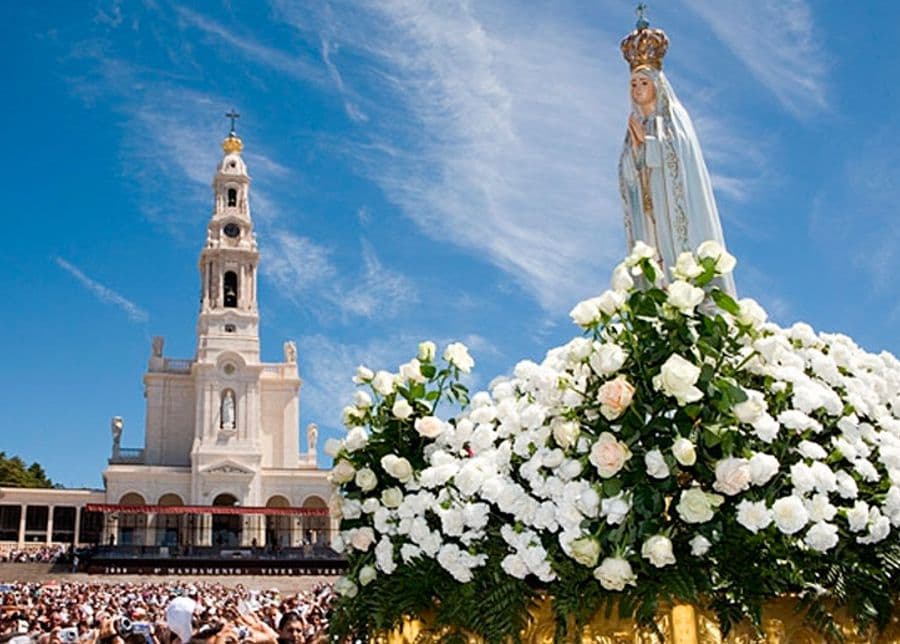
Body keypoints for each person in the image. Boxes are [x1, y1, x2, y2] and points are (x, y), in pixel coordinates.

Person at [618, 12, 736, 296]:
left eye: (643, 83)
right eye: (633, 84)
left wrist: (649, 147)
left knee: (679, 268)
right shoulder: (635, 125)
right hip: (649, 217)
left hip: (674, 216)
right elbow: (628, 176)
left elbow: (681, 157)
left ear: (656, 85)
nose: (637, 89)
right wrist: (635, 156)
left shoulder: (673, 117)